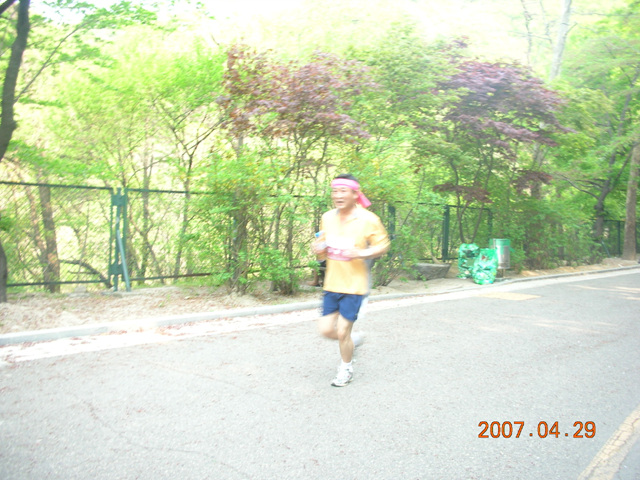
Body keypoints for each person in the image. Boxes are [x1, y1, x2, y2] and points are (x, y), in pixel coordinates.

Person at [312, 174, 390, 387]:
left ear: (355, 194)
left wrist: (361, 253)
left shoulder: (369, 219)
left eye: (343, 191)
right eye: (335, 191)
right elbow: (322, 249)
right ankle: (351, 342)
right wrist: (318, 249)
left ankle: (345, 369)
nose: (338, 195)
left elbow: (383, 245)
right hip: (332, 283)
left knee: (342, 330)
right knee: (326, 330)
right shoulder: (327, 217)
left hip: (355, 285)